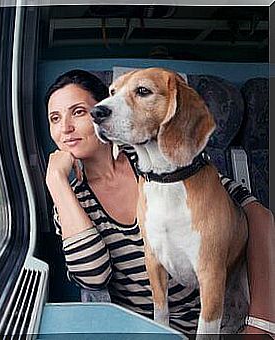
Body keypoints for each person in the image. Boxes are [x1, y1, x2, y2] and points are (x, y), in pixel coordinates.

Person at [44, 69, 275, 335]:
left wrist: (262, 321)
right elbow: (93, 277)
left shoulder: (162, 161)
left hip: (212, 319)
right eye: (54, 118)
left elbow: (257, 214)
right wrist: (57, 182)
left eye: (79, 112)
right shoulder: (71, 200)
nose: (65, 128)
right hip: (146, 328)